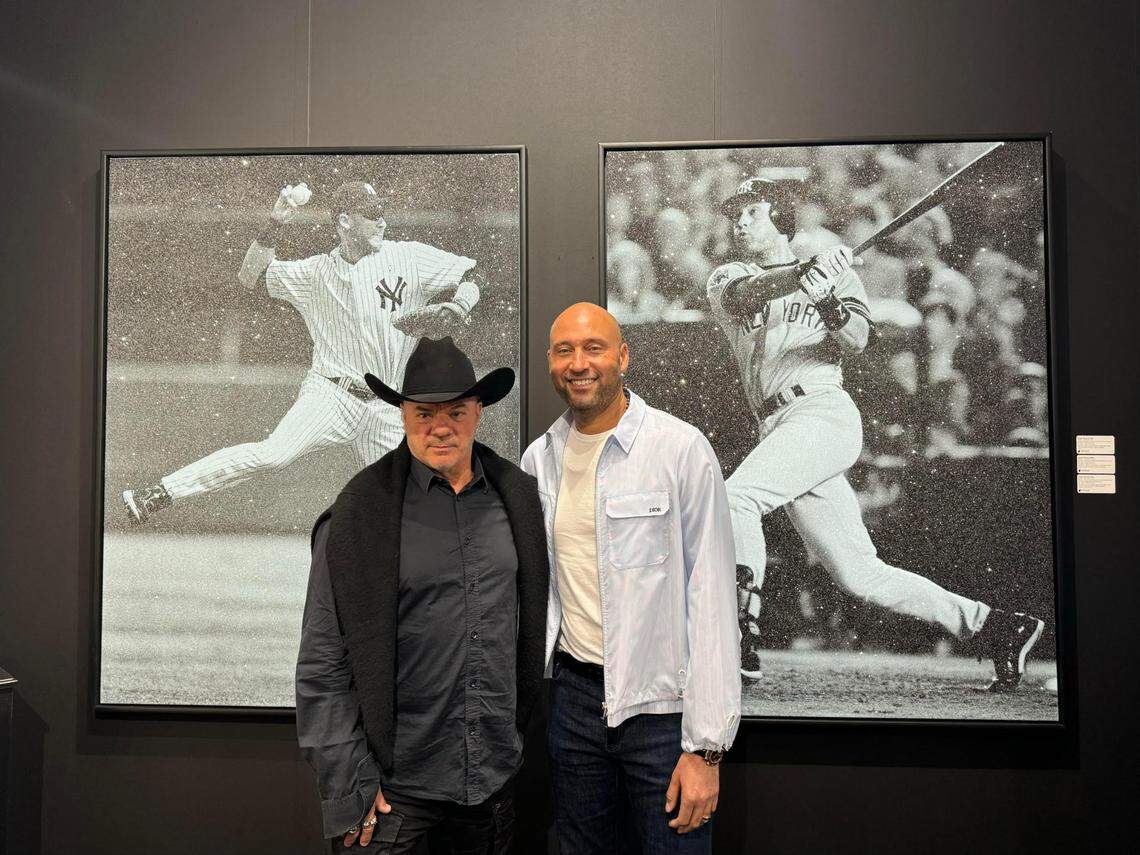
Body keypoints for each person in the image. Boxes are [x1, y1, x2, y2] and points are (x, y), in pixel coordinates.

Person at [707, 176, 1045, 692]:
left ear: (780, 216)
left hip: (821, 413)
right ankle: (995, 626)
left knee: (734, 499)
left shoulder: (835, 276)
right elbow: (745, 297)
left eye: (751, 211)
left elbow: (857, 339)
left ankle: (739, 631)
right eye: (736, 214)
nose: (740, 221)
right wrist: (804, 274)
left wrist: (828, 301)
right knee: (861, 574)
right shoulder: (729, 274)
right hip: (776, 423)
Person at [295, 336, 548, 853]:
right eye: (424, 412)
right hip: (393, 795)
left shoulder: (518, 499)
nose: (440, 426)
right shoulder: (358, 514)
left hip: (492, 784)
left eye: (456, 410)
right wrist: (348, 783)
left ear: (479, 412)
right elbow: (322, 662)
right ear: (403, 414)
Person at [122, 179, 482, 524]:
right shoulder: (315, 273)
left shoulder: (408, 258)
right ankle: (160, 493)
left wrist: (460, 306)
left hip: (387, 405)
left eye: (382, 210)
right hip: (332, 395)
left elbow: (474, 274)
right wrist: (275, 222)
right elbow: (251, 276)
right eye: (372, 212)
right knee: (273, 455)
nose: (382, 220)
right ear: (344, 220)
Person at [521, 303, 740, 854]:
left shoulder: (680, 450)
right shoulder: (538, 461)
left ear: (623, 356)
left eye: (593, 348)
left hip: (663, 717)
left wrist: (706, 749)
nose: (579, 363)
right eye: (565, 350)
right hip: (572, 704)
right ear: (550, 361)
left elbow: (712, 599)